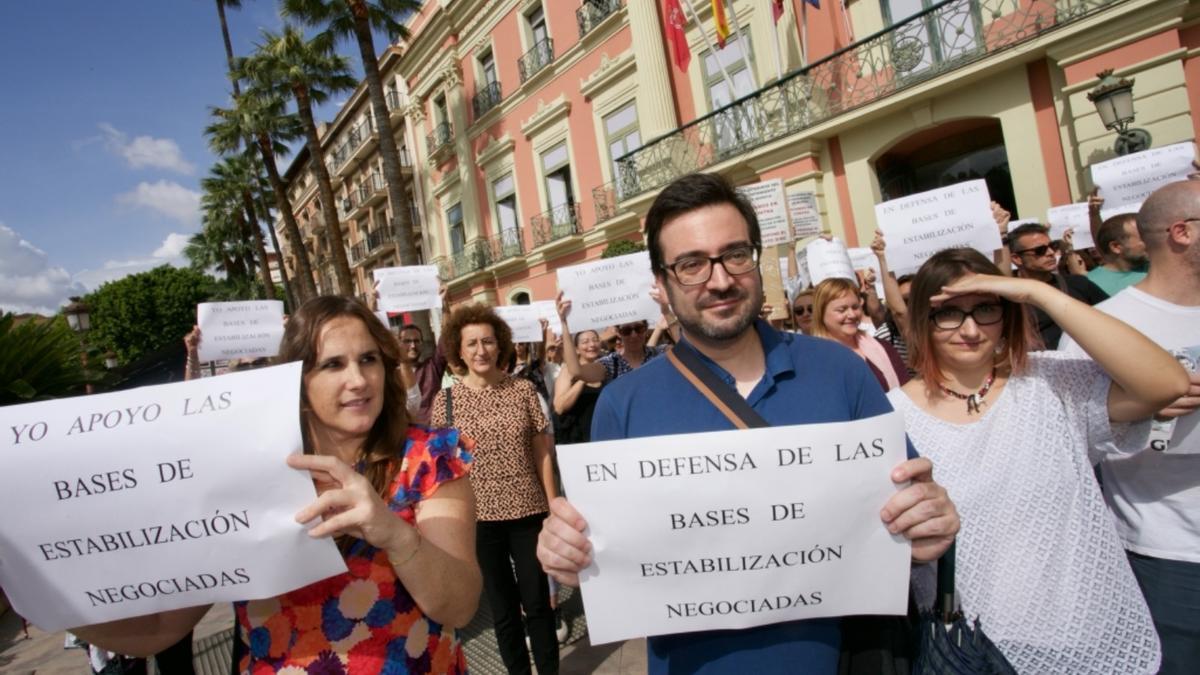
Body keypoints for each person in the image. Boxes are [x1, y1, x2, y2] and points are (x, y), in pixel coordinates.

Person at [536, 172, 959, 674]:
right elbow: (601, 552)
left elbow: (907, 514)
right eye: (691, 264)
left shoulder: (840, 371)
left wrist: (928, 525)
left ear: (755, 260)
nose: (719, 279)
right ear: (662, 283)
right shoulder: (622, 404)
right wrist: (566, 551)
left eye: (735, 254)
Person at [72, 296, 480, 673]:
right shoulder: (248, 478)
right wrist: (46, 593)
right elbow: (159, 629)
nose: (358, 380)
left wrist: (394, 534)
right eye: (333, 364)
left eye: (368, 359)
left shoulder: (429, 458)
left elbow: (460, 606)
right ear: (299, 381)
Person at [887, 247, 1188, 673]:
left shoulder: (1054, 382)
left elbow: (1166, 383)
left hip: (1087, 637)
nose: (970, 329)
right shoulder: (891, 417)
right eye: (949, 313)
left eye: (987, 309)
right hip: (975, 652)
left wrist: (1035, 292)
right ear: (922, 320)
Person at [1060, 180, 1200, 675]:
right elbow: (1067, 449)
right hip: (1170, 558)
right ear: (1181, 232)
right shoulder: (1102, 326)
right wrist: (1138, 408)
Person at [431, 304, 559, 675]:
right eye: (471, 343)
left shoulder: (522, 390)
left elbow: (542, 453)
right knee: (503, 611)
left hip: (528, 512)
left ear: (500, 345)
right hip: (478, 521)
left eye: (487, 341)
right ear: (459, 350)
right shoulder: (447, 402)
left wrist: (553, 506)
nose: (480, 350)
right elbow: (444, 469)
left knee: (538, 604)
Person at [1007, 222, 1108, 348]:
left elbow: (1112, 314)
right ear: (1017, 258)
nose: (1050, 253)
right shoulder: (1011, 297)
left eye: (1052, 246)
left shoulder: (1079, 283)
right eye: (1040, 250)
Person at [808, 277, 908, 392]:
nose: (851, 315)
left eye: (855, 307)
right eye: (842, 310)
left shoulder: (883, 347)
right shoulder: (813, 360)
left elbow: (907, 391)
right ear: (821, 313)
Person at [399, 286, 452, 424]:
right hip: (404, 438)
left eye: (416, 341)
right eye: (407, 341)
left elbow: (446, 337)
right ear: (398, 344)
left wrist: (445, 306)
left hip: (433, 436)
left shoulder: (432, 367)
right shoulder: (388, 373)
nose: (412, 345)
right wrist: (375, 306)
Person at [552, 329, 605, 445]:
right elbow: (559, 407)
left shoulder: (606, 369)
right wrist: (582, 379)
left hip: (602, 435)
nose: (591, 345)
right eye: (585, 342)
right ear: (576, 349)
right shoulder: (568, 372)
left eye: (595, 340)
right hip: (577, 438)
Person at [1087, 213, 1149, 295]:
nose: (1151, 241)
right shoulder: (1090, 284)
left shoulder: (1160, 269)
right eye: (1143, 237)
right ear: (1116, 247)